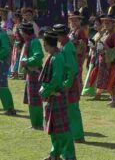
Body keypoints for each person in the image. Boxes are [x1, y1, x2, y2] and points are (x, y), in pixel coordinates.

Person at [40, 31, 76, 160]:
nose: (43, 46)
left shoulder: (57, 57)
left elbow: (56, 78)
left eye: (44, 43)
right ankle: (54, 154)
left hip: (56, 96)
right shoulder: (52, 56)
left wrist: (46, 90)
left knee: (63, 131)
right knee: (54, 128)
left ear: (47, 44)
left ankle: (69, 156)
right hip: (52, 96)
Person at [53, 24, 85, 143]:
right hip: (67, 81)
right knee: (68, 110)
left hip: (70, 82)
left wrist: (67, 85)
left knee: (73, 110)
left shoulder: (67, 47)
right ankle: (73, 133)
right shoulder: (64, 45)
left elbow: (71, 69)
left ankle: (78, 136)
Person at [20, 22, 44, 129]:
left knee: (35, 100)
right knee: (32, 99)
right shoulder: (29, 41)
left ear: (26, 33)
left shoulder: (34, 42)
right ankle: (35, 123)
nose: (21, 34)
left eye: (22, 32)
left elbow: (39, 56)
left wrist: (26, 61)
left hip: (35, 73)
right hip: (30, 73)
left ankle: (37, 123)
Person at [96, 15, 115, 106]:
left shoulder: (114, 35)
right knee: (107, 80)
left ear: (112, 24)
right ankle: (113, 98)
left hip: (111, 61)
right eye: (104, 22)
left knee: (114, 80)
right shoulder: (105, 33)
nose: (106, 24)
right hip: (103, 59)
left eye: (108, 23)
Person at [82, 15, 104, 96]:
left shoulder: (102, 34)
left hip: (97, 57)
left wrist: (93, 47)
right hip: (93, 56)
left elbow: (100, 47)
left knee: (95, 74)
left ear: (102, 25)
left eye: (97, 24)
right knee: (91, 73)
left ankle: (92, 90)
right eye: (94, 24)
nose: (95, 26)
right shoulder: (97, 33)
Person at [68, 11, 88, 94]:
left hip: (78, 54)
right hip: (71, 54)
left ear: (79, 21)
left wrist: (75, 45)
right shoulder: (71, 31)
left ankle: (79, 89)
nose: (73, 22)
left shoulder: (80, 31)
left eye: (76, 20)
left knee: (77, 71)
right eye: (72, 21)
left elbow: (83, 43)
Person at [9, 11, 24, 79]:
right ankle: (13, 73)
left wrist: (20, 45)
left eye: (14, 18)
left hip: (19, 44)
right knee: (14, 59)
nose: (13, 19)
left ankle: (16, 74)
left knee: (17, 58)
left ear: (17, 18)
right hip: (15, 43)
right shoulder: (15, 25)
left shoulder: (20, 25)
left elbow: (21, 36)